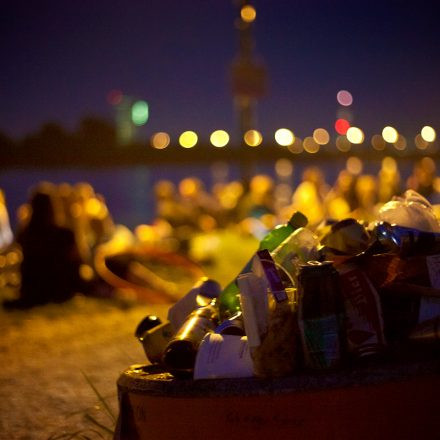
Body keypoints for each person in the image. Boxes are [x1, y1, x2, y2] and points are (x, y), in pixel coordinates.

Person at [4, 183, 85, 308]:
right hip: (60, 291)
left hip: (32, 291)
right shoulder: (65, 234)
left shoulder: (25, 233)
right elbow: (79, 260)